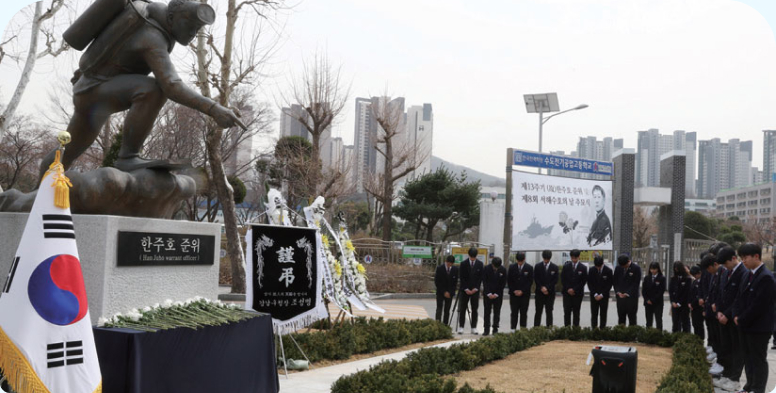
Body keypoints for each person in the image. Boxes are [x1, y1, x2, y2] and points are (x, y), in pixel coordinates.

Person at [43, 0, 245, 176]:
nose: (192, 33)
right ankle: (128, 157)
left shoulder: (145, 13)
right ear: (172, 17)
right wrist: (213, 109)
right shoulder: (152, 36)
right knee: (154, 89)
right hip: (96, 89)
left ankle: (37, 195)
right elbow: (172, 85)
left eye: (197, 29)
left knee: (69, 150)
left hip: (92, 87)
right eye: (189, 25)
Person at [733, 243, 775, 393]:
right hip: (744, 325)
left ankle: (758, 389)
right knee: (747, 357)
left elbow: (759, 306)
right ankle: (749, 386)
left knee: (758, 359)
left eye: (745, 257)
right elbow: (739, 297)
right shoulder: (747, 273)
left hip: (759, 327)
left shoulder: (766, 277)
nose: (743, 261)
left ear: (756, 256)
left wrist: (742, 318)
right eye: (741, 258)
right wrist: (736, 315)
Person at [712, 246, 745, 392]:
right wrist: (719, 311)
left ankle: (735, 379)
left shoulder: (743, 273)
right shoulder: (725, 273)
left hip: (733, 318)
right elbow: (720, 293)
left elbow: (739, 298)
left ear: (733, 258)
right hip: (722, 317)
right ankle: (726, 374)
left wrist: (727, 314)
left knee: (736, 349)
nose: (725, 267)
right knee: (725, 347)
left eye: (726, 263)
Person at [701, 253, 725, 376]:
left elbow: (724, 293)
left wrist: (720, 308)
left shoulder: (723, 272)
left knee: (723, 342)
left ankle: (727, 370)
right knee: (716, 336)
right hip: (716, 311)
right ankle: (720, 362)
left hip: (724, 314)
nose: (708, 272)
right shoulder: (715, 274)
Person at [458, 247, 484, 335]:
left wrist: (475, 289)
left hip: (475, 291)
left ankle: (474, 327)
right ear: (469, 255)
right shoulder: (463, 264)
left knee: (474, 309)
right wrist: (466, 289)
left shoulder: (480, 264)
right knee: (462, 309)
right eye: (471, 256)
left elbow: (480, 278)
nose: (472, 258)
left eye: (474, 257)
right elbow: (462, 278)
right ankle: (461, 327)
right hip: (465, 290)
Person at [561, 249, 588, 327]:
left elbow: (583, 281)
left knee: (576, 312)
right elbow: (563, 279)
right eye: (572, 258)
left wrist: (574, 289)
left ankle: (575, 330)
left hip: (578, 294)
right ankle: (566, 329)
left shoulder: (583, 268)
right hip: (567, 293)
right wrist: (568, 289)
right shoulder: (566, 266)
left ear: (579, 257)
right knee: (567, 312)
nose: (574, 260)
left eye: (575, 258)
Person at [508, 251, 533, 331]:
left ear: (524, 259)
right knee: (514, 312)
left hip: (524, 295)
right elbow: (509, 281)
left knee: (523, 313)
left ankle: (523, 329)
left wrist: (522, 291)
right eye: (518, 261)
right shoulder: (512, 267)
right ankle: (513, 329)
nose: (520, 263)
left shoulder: (529, 268)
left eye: (521, 261)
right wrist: (514, 290)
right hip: (514, 294)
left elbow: (530, 281)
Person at [613, 254, 641, 326]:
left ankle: (632, 335)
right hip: (620, 298)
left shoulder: (636, 268)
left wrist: (627, 293)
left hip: (631, 298)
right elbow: (615, 282)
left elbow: (636, 283)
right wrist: (618, 292)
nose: (623, 267)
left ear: (628, 261)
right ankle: (621, 334)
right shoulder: (618, 268)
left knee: (632, 318)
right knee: (621, 318)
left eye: (625, 266)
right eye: (622, 266)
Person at [482, 257, 507, 336]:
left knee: (497, 312)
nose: (496, 268)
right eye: (494, 266)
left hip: (498, 295)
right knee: (487, 312)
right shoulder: (486, 268)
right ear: (492, 264)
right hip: (487, 294)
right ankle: (486, 329)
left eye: (497, 267)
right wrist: (489, 293)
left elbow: (503, 283)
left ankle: (495, 329)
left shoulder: (503, 270)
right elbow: (484, 281)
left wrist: (496, 294)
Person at [534, 250, 559, 327]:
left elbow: (555, 280)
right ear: (543, 257)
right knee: (538, 311)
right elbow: (536, 278)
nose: (546, 260)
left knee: (549, 312)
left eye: (547, 259)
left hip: (550, 293)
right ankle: (536, 329)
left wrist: (547, 288)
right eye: (545, 259)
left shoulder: (554, 267)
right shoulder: (537, 266)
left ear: (550, 258)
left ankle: (549, 328)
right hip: (539, 293)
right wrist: (541, 287)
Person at [587, 255, 613, 329]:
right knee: (594, 314)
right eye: (597, 266)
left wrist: (601, 295)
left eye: (600, 266)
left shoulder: (608, 271)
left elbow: (609, 284)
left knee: (603, 314)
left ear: (603, 263)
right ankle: (594, 329)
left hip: (604, 296)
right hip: (594, 296)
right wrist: (595, 294)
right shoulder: (591, 270)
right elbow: (590, 283)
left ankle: (602, 329)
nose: (598, 268)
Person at [434, 255, 458, 325]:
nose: (449, 265)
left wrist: (450, 292)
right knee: (439, 309)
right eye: (448, 263)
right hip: (441, 293)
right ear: (446, 261)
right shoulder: (440, 268)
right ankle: (437, 325)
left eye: (451, 264)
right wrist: (444, 292)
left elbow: (455, 283)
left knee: (447, 310)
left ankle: (445, 325)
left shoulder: (455, 269)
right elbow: (437, 282)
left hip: (449, 294)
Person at [669, 261, 692, 333]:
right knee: (675, 322)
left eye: (678, 268)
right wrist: (672, 302)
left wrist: (679, 303)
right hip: (674, 304)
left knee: (685, 322)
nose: (676, 270)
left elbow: (686, 293)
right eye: (675, 269)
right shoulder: (673, 278)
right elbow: (671, 291)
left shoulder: (687, 279)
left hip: (684, 304)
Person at [641, 261, 665, 330]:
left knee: (658, 320)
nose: (653, 271)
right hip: (648, 303)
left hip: (658, 303)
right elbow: (643, 291)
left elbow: (661, 292)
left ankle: (659, 335)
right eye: (651, 269)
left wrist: (652, 300)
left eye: (654, 269)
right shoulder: (647, 278)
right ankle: (648, 335)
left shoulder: (662, 278)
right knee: (648, 321)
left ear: (658, 269)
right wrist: (647, 299)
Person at [689, 265, 705, 340]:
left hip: (699, 306)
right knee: (695, 324)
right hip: (693, 307)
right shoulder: (695, 281)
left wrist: (693, 303)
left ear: (699, 273)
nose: (695, 276)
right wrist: (689, 303)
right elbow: (691, 293)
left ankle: (700, 339)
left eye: (695, 275)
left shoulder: (703, 282)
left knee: (699, 325)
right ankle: (696, 338)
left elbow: (698, 295)